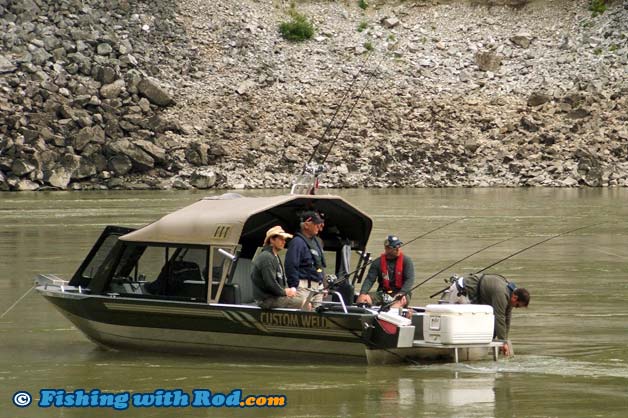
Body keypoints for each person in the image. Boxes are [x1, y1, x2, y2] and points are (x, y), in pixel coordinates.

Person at [446, 273, 530, 356]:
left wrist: (505, 340)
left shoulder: (510, 296)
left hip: (472, 295)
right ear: (515, 297)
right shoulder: (502, 294)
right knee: (463, 325)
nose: (515, 307)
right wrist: (502, 342)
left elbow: (507, 319)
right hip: (462, 291)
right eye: (517, 305)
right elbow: (499, 317)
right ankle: (454, 351)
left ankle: (471, 351)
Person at [251, 226, 310, 310]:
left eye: (284, 239)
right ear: (272, 240)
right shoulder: (266, 257)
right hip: (267, 300)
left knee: (303, 300)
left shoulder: (274, 256)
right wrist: (285, 292)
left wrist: (286, 291)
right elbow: (270, 284)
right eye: (281, 239)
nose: (284, 242)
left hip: (274, 297)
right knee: (306, 304)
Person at [356, 235, 415, 309]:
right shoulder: (377, 263)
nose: (398, 249)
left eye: (399, 246)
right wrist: (363, 293)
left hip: (401, 294)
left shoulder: (407, 261)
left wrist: (402, 292)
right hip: (384, 293)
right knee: (363, 299)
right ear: (387, 248)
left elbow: (409, 280)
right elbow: (369, 280)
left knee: (396, 306)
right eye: (394, 247)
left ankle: (391, 313)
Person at [284, 211, 326, 306]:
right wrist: (294, 286)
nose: (318, 226)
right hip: (303, 288)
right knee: (303, 316)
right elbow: (291, 266)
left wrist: (323, 284)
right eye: (315, 224)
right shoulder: (297, 242)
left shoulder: (317, 242)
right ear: (306, 225)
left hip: (318, 288)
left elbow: (319, 266)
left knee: (318, 317)